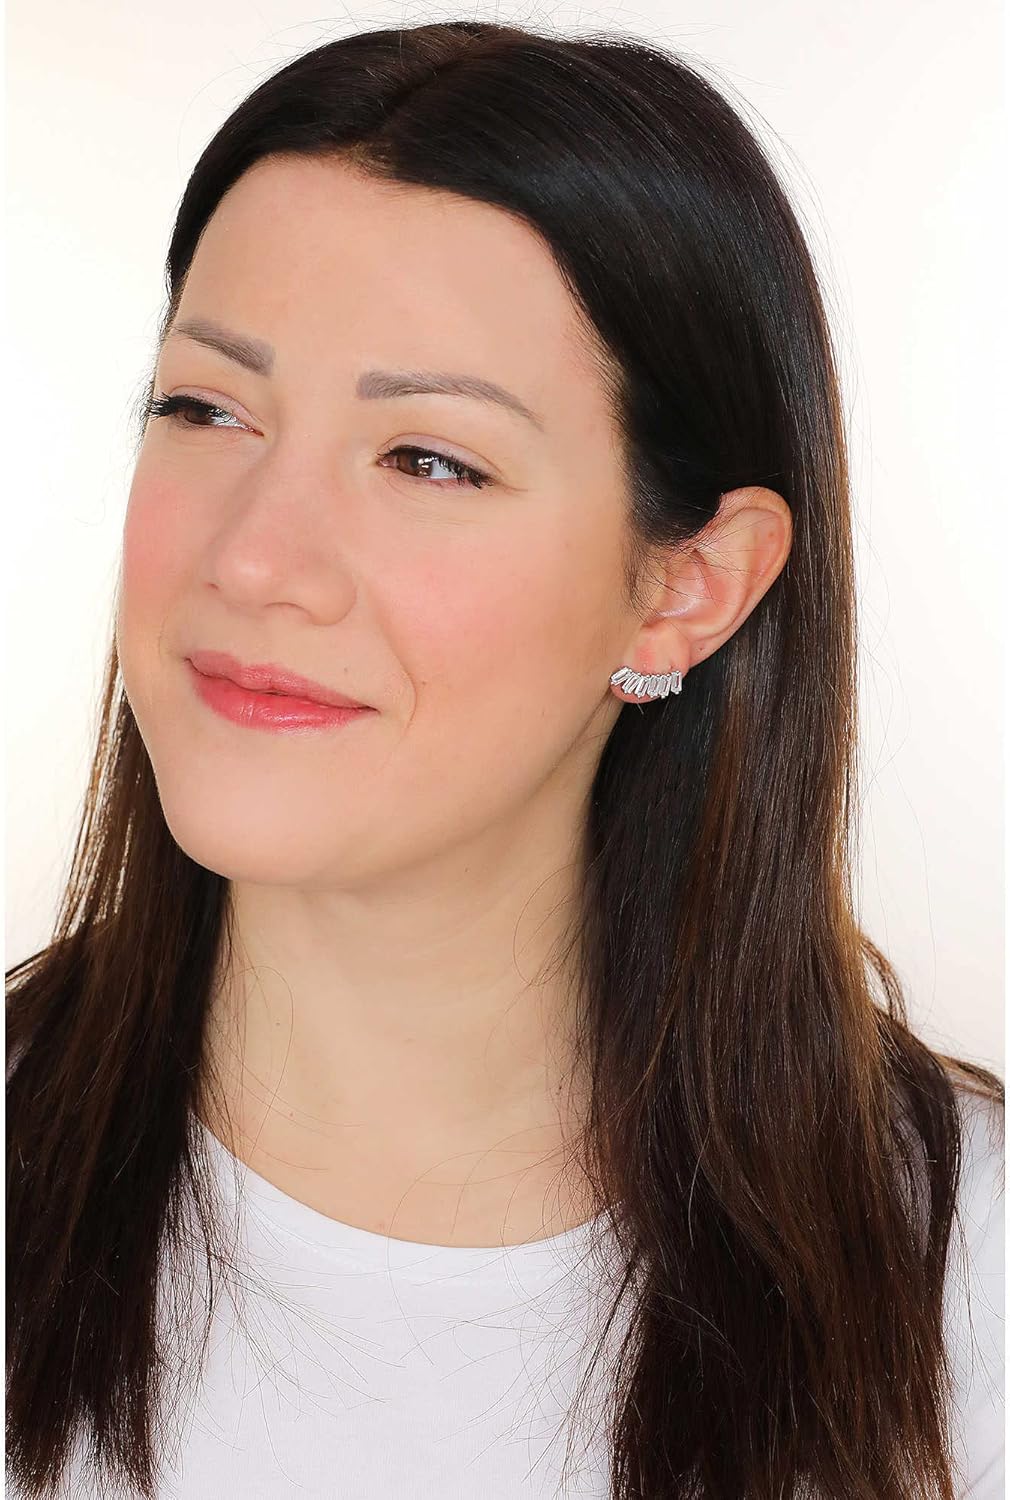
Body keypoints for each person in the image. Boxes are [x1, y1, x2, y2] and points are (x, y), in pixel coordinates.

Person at [6, 18, 1003, 1499]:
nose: (254, 559)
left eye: (429, 459)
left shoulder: (971, 1291)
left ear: (688, 586)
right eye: (207, 409)